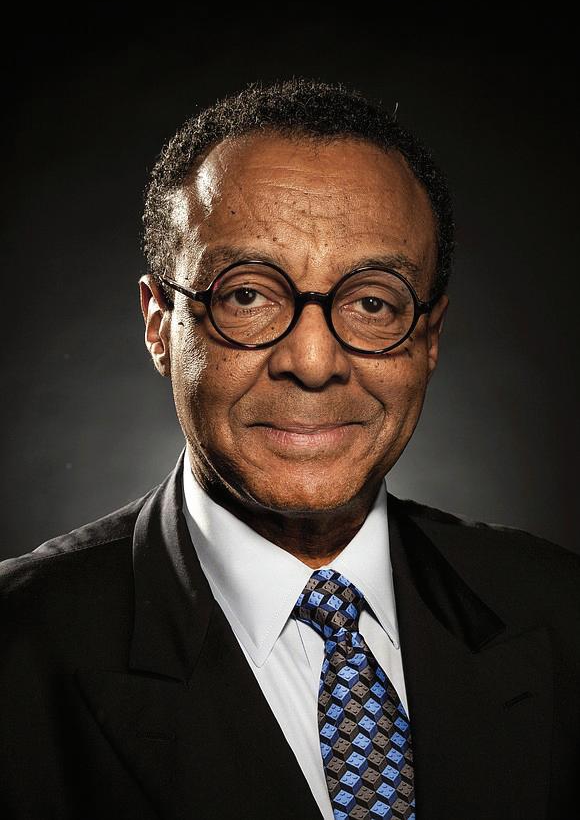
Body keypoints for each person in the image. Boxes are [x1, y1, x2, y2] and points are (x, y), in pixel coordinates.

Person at [1, 79, 578, 820]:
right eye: (246, 295)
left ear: (429, 338)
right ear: (159, 324)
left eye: (372, 302)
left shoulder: (561, 613)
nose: (312, 361)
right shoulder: (18, 652)